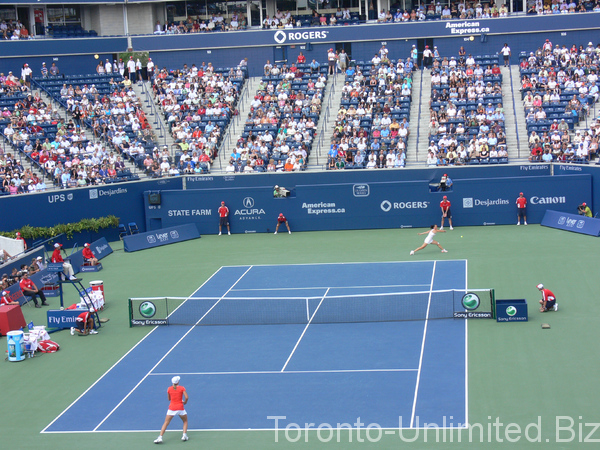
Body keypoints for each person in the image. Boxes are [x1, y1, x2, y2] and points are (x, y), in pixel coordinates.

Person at [154, 376, 189, 443]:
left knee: (166, 423)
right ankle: (184, 436)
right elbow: (186, 397)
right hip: (180, 408)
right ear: (178, 382)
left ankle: (160, 437)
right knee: (185, 421)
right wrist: (185, 402)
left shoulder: (169, 389)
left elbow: (169, 399)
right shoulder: (182, 388)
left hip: (172, 408)